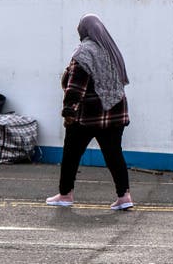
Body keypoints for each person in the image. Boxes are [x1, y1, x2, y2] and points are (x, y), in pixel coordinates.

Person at [46, 13, 133, 210]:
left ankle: (65, 194)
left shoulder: (84, 51)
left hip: (89, 114)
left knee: (71, 154)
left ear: (84, 30)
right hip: (115, 112)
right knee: (114, 155)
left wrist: (69, 111)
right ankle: (124, 196)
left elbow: (76, 85)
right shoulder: (112, 50)